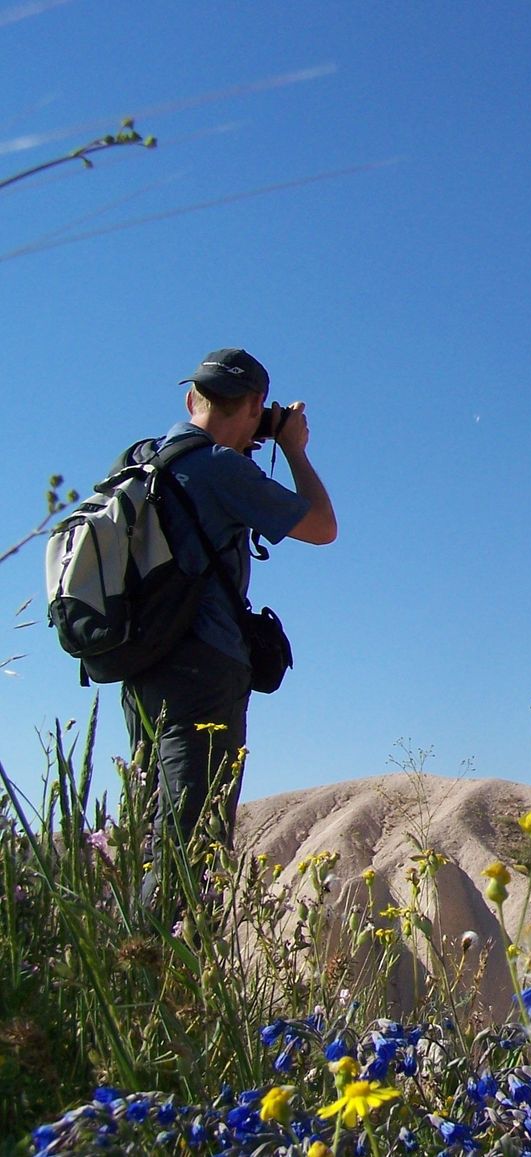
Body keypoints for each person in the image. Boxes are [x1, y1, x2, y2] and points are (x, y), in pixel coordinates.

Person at [124, 347, 337, 880]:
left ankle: (134, 955)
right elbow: (322, 526)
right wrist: (292, 449)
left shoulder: (142, 458)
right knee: (192, 844)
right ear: (254, 405)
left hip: (139, 666)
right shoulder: (218, 469)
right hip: (203, 671)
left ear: (192, 396)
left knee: (152, 832)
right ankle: (175, 959)